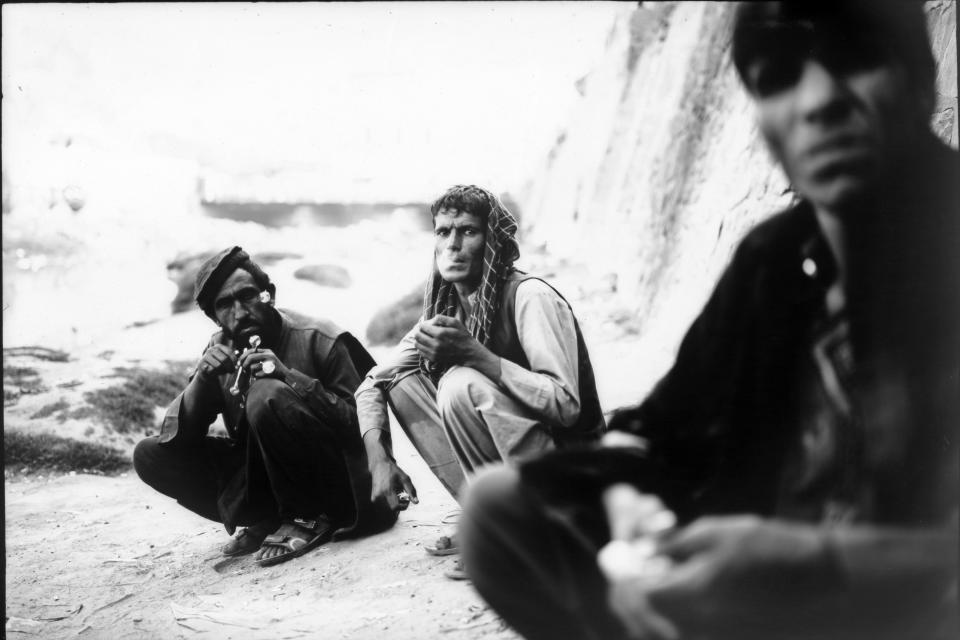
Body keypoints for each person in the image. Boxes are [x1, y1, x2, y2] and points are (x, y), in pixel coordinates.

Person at [460, 2, 959, 638]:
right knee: (495, 510)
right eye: (779, 75)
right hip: (757, 589)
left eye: (854, 57)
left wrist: (808, 559)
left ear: (920, 76)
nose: (817, 102)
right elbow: (665, 422)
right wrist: (627, 499)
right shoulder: (776, 258)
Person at [355, 184, 605, 563]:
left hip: (569, 474)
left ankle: (523, 531)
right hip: (518, 473)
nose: (453, 244)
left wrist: (476, 355)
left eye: (468, 231)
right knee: (402, 382)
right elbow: (374, 381)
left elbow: (566, 407)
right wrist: (379, 458)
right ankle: (490, 518)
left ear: (492, 242)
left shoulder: (529, 297)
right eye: (443, 231)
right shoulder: (445, 312)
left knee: (459, 384)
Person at [134, 247, 395, 567]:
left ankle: (308, 518)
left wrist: (288, 378)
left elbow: (365, 427)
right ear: (214, 317)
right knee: (149, 455)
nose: (239, 312)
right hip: (273, 485)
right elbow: (176, 440)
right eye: (225, 305)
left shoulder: (320, 337)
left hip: (343, 487)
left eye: (247, 296)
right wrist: (202, 380)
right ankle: (275, 517)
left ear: (268, 294)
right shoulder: (221, 347)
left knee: (266, 392)